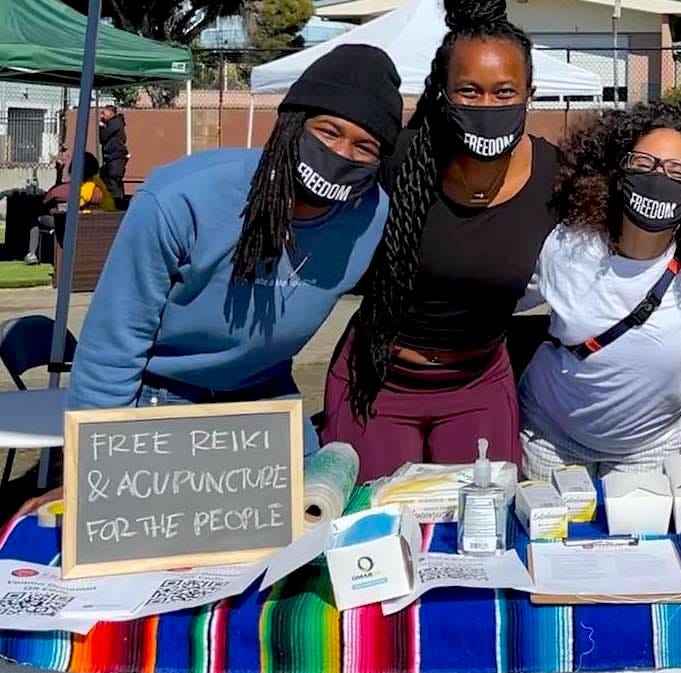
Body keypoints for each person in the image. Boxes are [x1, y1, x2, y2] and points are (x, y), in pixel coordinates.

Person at [13, 44, 403, 519]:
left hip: (265, 404)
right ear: (291, 126)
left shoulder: (370, 214)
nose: (342, 154)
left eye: (364, 147)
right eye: (328, 132)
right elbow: (114, 345)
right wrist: (87, 473)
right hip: (157, 403)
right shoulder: (181, 198)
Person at [323, 0, 555, 481]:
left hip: (478, 387)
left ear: (529, 93)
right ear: (443, 93)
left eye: (504, 92)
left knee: (480, 539)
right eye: (468, 91)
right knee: (369, 537)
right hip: (376, 383)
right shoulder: (398, 161)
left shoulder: (558, 176)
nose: (487, 105)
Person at [515, 99, 681, 479]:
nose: (658, 177)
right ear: (616, 172)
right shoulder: (565, 247)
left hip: (651, 451)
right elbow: (496, 299)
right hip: (551, 439)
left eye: (678, 171)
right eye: (643, 164)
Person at [25, 152, 114, 265]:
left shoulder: (65, 190)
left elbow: (47, 198)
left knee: (37, 218)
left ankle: (32, 253)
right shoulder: (98, 189)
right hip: (89, 226)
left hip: (68, 224)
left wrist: (59, 173)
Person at [97, 105, 129, 202]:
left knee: (113, 181)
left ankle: (116, 203)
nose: (102, 116)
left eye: (104, 113)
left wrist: (102, 128)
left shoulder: (115, 123)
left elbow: (103, 137)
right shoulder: (114, 123)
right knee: (109, 179)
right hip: (112, 157)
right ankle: (117, 202)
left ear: (111, 113)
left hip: (115, 157)